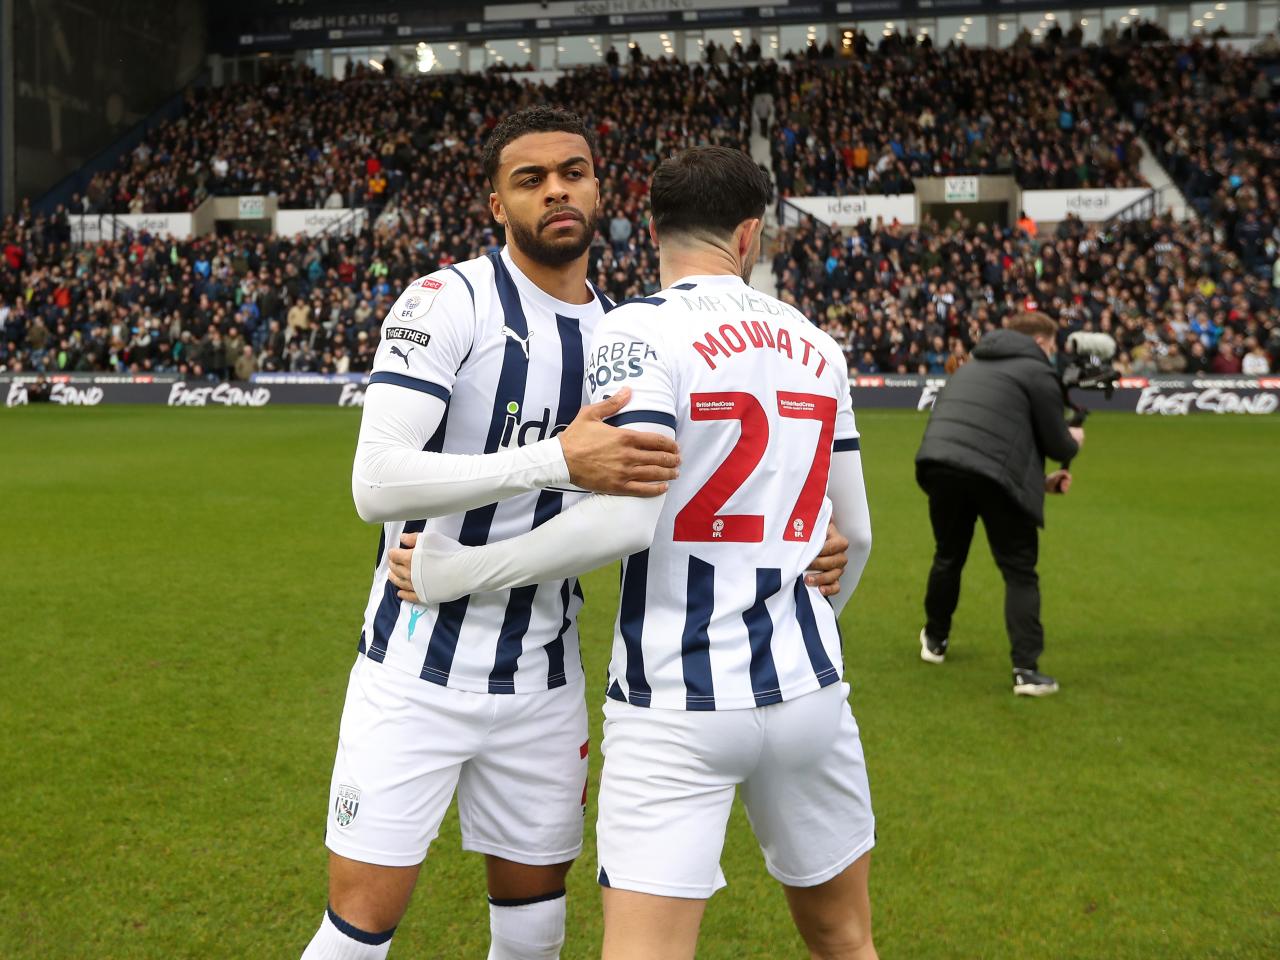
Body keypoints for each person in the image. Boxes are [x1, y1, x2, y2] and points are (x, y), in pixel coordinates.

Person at [300, 109, 847, 960]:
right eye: (530, 178)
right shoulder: (447, 300)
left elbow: (678, 486)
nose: (555, 188)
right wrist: (553, 458)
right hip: (414, 665)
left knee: (535, 937)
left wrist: (803, 540)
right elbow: (376, 481)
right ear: (496, 204)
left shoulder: (627, 332)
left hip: (544, 684)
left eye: (573, 172)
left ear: (601, 191)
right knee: (356, 935)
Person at [915, 310, 1082, 696]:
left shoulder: (971, 367)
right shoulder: (1036, 371)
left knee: (948, 555)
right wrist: (1074, 441)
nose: (1053, 353)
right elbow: (1057, 443)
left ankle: (935, 639)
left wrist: (1040, 484)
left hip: (940, 465)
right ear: (1040, 342)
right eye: (1052, 345)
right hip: (990, 474)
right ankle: (1026, 670)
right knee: (1020, 571)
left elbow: (990, 437)